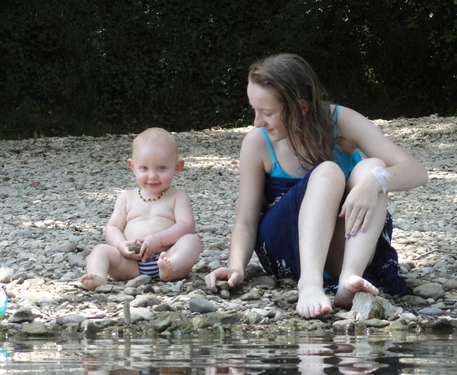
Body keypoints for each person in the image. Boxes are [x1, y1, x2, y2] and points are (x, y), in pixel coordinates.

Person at [204, 53, 428, 319]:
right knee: (328, 172)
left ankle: (349, 277)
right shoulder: (258, 142)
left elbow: (416, 172)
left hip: (343, 247)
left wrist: (375, 182)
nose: (256, 122)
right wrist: (236, 267)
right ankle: (309, 284)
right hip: (287, 247)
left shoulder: (341, 121)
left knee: (374, 167)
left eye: (267, 113)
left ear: (300, 107)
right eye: (255, 110)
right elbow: (246, 222)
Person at [80, 127, 202, 291]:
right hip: (130, 264)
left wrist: (158, 240)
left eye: (161, 168)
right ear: (132, 166)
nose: (152, 176)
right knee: (100, 250)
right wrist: (121, 244)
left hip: (166, 256)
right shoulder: (126, 198)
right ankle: (98, 277)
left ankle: (172, 269)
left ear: (177, 167)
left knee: (192, 241)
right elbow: (113, 227)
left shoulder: (178, 197)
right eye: (144, 168)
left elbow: (187, 226)